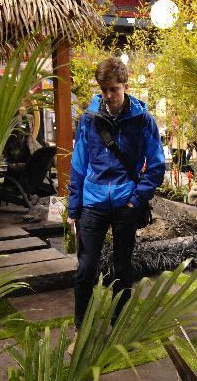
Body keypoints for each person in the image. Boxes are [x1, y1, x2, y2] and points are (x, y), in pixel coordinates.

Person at [67, 58, 165, 327]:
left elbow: (156, 165)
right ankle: (80, 327)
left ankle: (118, 322)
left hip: (126, 203)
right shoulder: (89, 120)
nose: (108, 96)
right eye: (104, 90)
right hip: (92, 204)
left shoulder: (143, 120)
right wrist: (73, 208)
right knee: (86, 268)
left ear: (125, 85)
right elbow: (78, 165)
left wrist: (136, 200)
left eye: (114, 89)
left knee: (122, 268)